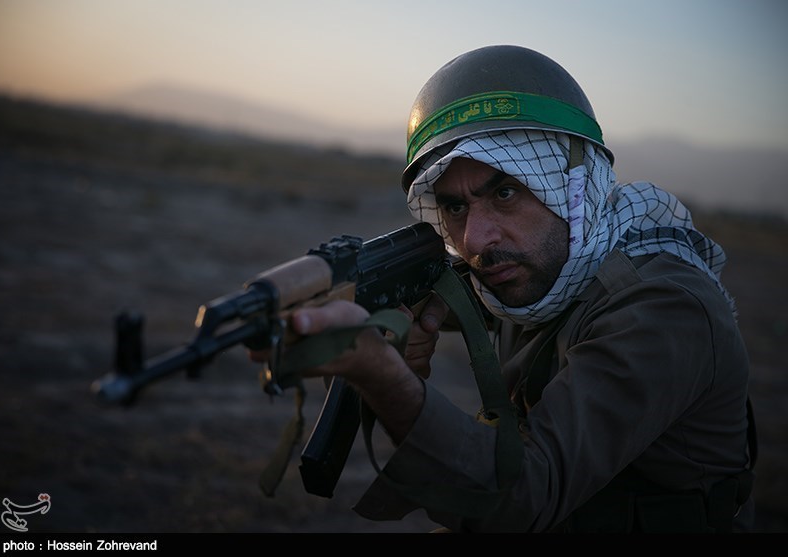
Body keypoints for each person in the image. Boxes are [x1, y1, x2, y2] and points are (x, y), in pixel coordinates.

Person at [256, 45, 756, 532]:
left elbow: (523, 498)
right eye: (455, 207)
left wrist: (382, 375)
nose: (475, 242)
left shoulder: (663, 307)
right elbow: (441, 294)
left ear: (575, 187)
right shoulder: (538, 268)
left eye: (506, 192)